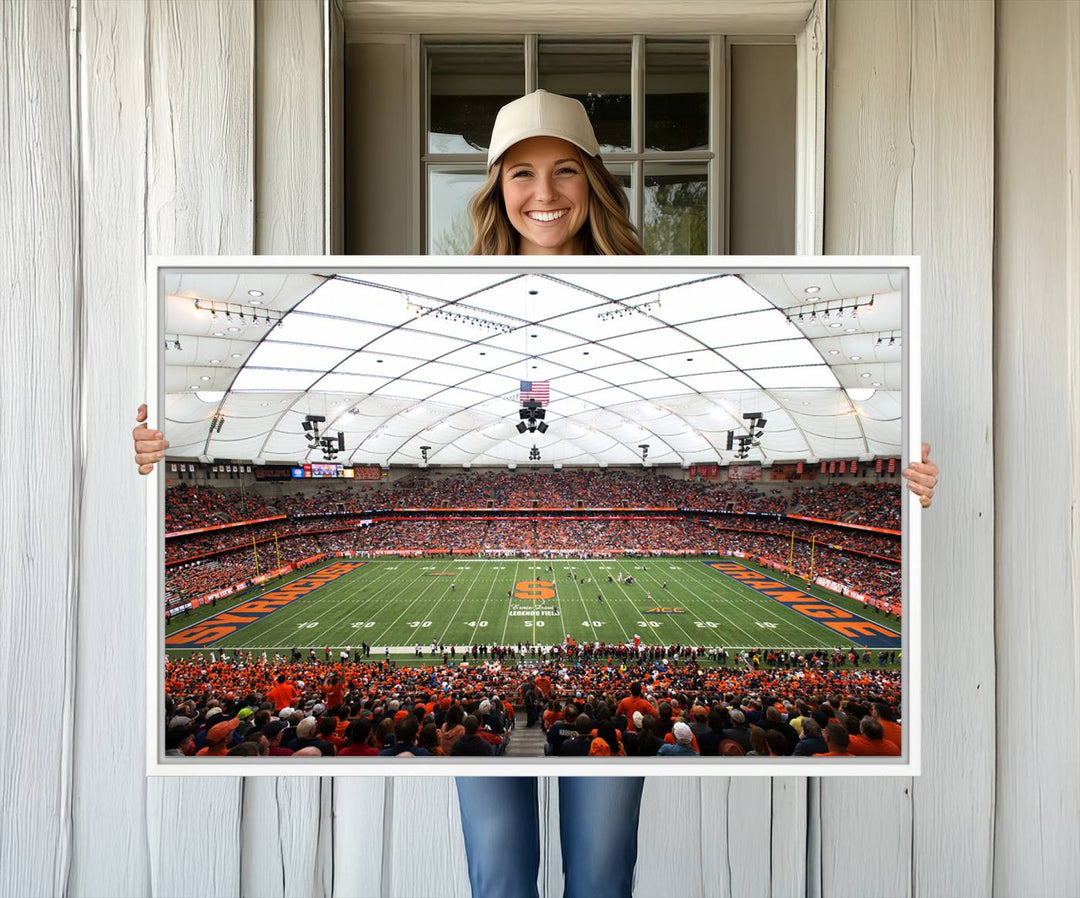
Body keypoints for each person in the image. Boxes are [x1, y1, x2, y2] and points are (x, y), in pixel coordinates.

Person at [134, 89, 939, 898]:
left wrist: (896, 476)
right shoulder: (435, 304)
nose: (544, 193)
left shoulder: (662, 299)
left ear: (593, 181)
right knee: (500, 877)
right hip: (503, 595)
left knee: (600, 876)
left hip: (600, 597)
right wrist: (161, 455)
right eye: (521, 173)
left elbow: (698, 415)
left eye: (564, 172)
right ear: (496, 188)